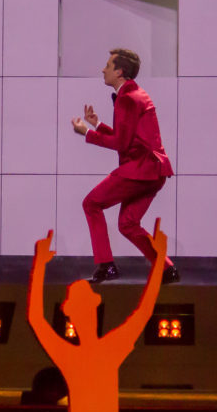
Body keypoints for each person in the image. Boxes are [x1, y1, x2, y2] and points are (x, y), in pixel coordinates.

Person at [27, 226, 167, 412]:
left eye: (85, 303)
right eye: (81, 304)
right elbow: (144, 311)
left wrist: (39, 265)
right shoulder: (102, 350)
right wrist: (159, 259)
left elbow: (145, 311)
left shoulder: (83, 353)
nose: (85, 310)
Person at [71, 48, 178, 284]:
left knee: (91, 203)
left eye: (108, 66)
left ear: (119, 71)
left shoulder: (127, 98)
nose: (103, 70)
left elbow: (121, 143)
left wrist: (87, 133)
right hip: (154, 171)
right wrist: (98, 125)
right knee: (128, 224)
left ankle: (106, 266)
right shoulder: (135, 94)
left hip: (140, 169)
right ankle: (166, 268)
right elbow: (129, 138)